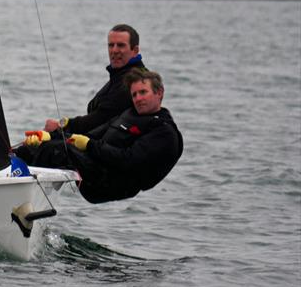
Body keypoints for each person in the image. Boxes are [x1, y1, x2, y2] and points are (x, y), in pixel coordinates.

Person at [15, 68, 183, 204]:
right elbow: (89, 136)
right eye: (134, 94)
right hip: (96, 165)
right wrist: (50, 136)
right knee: (35, 147)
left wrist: (88, 145)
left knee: (56, 151)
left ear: (159, 92)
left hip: (111, 182)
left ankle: (21, 201)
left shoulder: (164, 132)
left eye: (143, 92)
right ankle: (4, 166)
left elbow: (128, 160)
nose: (138, 98)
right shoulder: (130, 114)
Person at [43, 24, 145, 135]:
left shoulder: (135, 80)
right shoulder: (118, 75)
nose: (114, 50)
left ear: (135, 50)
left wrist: (62, 125)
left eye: (120, 45)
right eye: (111, 45)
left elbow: (101, 118)